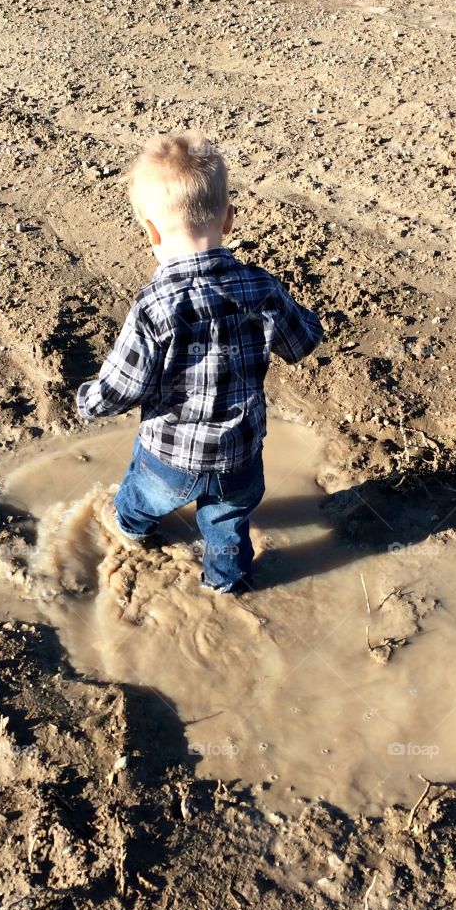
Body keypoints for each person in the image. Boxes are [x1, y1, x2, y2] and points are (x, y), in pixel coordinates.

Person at [76, 131, 323, 594]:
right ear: (228, 220)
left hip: (168, 457)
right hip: (240, 456)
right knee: (229, 529)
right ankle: (226, 585)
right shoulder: (261, 287)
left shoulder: (153, 307)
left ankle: (132, 531)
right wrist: (307, 318)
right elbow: (300, 342)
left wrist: (88, 400)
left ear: (149, 230)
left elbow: (121, 388)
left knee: (138, 500)